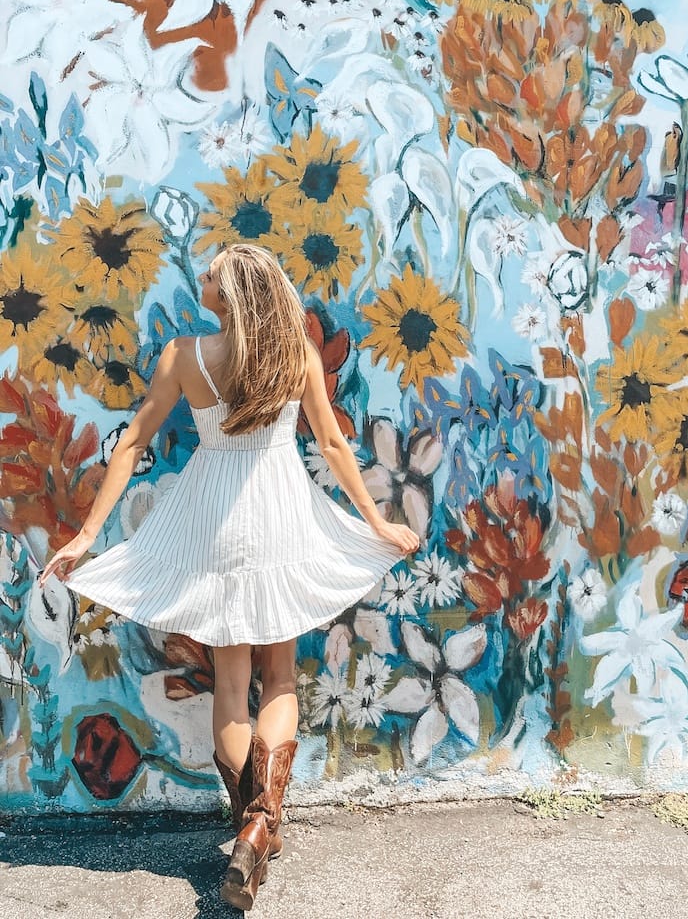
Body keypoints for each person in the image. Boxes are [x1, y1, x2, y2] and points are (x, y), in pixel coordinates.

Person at [40, 243, 419, 911]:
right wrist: (378, 523)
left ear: (231, 294)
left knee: (231, 683)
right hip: (280, 511)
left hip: (212, 516)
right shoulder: (295, 354)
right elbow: (331, 444)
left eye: (212, 274)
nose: (204, 279)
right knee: (279, 678)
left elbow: (132, 443)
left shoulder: (185, 356)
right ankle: (260, 826)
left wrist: (90, 534)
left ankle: (251, 823)